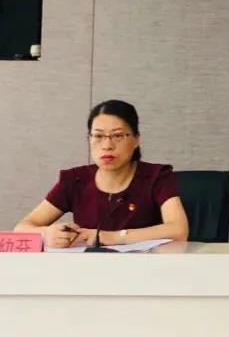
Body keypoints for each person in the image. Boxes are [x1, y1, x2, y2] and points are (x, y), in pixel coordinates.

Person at [14, 99, 189, 248]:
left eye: (118, 136)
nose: (107, 146)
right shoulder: (74, 179)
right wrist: (46, 233)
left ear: (136, 140)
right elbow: (22, 228)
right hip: (88, 270)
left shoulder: (157, 176)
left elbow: (178, 230)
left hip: (146, 269)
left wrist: (108, 237)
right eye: (98, 136)